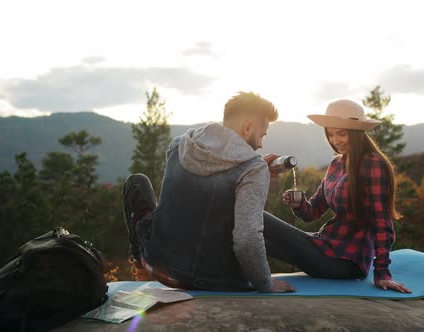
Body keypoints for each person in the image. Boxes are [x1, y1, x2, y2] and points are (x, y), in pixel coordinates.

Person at [122, 91, 295, 293]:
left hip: (159, 265)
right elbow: (247, 239)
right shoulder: (254, 168)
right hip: (215, 280)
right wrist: (265, 284)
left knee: (136, 183)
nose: (261, 144)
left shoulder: (179, 144)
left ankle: (139, 260)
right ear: (248, 127)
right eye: (262, 135)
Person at [278, 99, 411, 293]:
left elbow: (382, 223)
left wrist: (382, 272)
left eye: (342, 133)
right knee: (257, 227)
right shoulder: (336, 165)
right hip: (326, 246)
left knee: (261, 222)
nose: (335, 140)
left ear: (357, 133)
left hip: (346, 262)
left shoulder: (372, 163)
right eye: (331, 134)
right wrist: (298, 203)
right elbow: (313, 212)